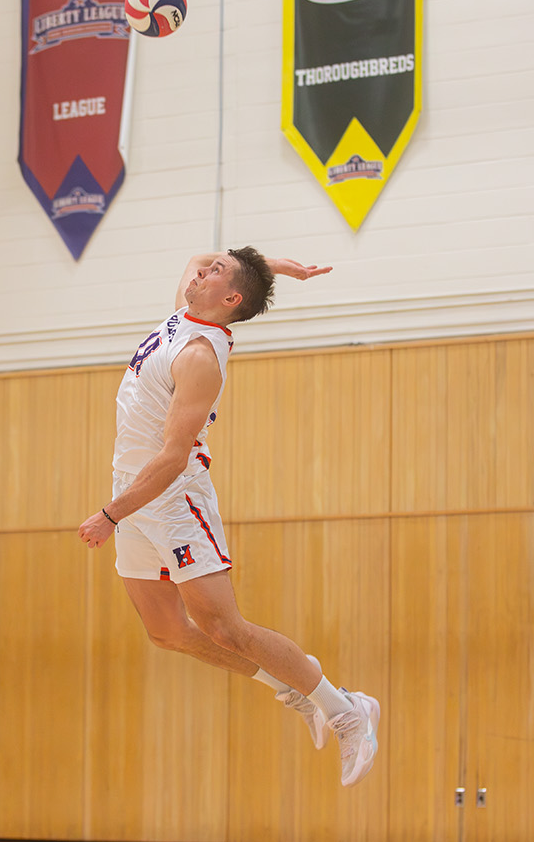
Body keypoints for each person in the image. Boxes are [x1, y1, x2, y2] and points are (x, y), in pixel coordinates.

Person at [77, 249, 383, 787]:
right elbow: (203, 255)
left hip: (171, 499)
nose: (201, 270)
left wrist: (109, 515)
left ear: (230, 300)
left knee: (223, 628)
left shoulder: (200, 355)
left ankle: (346, 708)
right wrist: (276, 267)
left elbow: (172, 458)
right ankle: (297, 687)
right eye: (208, 267)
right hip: (133, 493)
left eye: (216, 273)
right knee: (167, 632)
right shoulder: (184, 313)